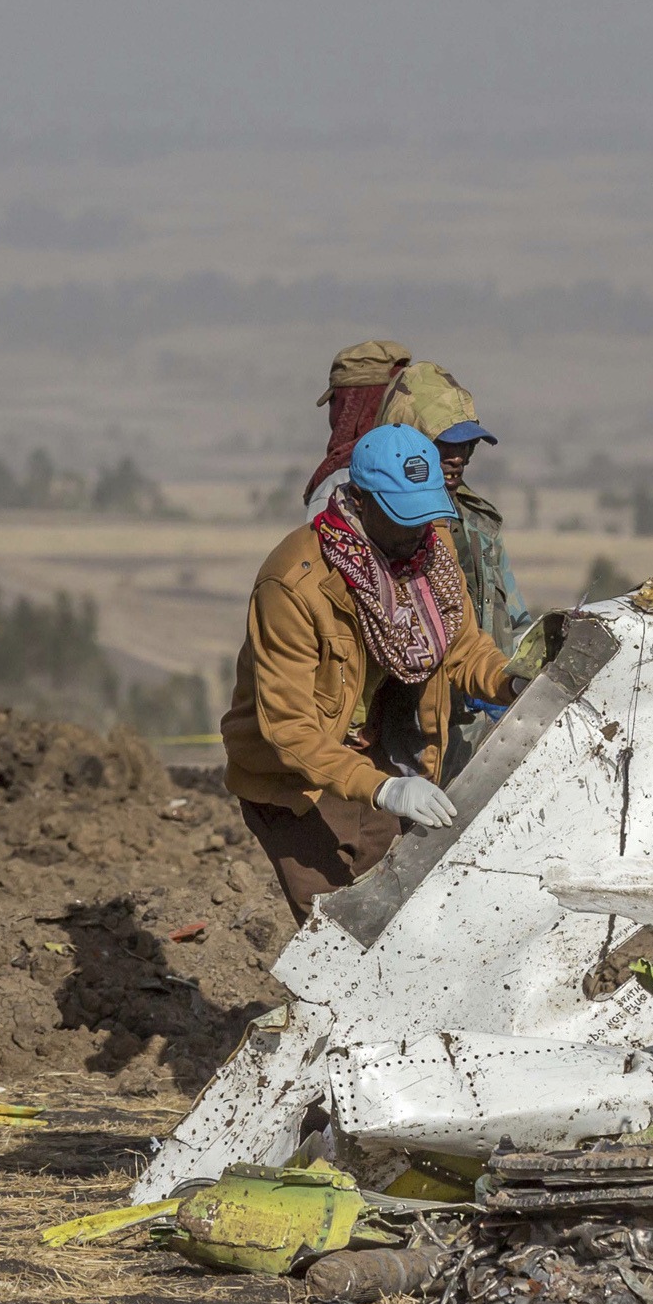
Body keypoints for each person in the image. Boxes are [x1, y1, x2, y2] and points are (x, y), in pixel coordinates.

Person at [223, 424, 521, 923]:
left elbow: (463, 648)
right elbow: (289, 729)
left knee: (395, 917)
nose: (416, 532)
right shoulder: (294, 584)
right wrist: (385, 789)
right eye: (402, 517)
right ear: (360, 502)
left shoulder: (429, 554)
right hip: (295, 781)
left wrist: (513, 682)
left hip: (372, 755)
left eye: (425, 516)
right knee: (334, 934)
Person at [374, 361, 535, 776]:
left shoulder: (477, 521)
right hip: (406, 731)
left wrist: (516, 677)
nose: (458, 457)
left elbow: (511, 617)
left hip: (481, 723)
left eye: (467, 446)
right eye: (443, 445)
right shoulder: (378, 528)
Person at [304, 339, 412, 513]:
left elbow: (320, 539)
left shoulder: (341, 484)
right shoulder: (425, 469)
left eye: (335, 402)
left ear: (348, 406)